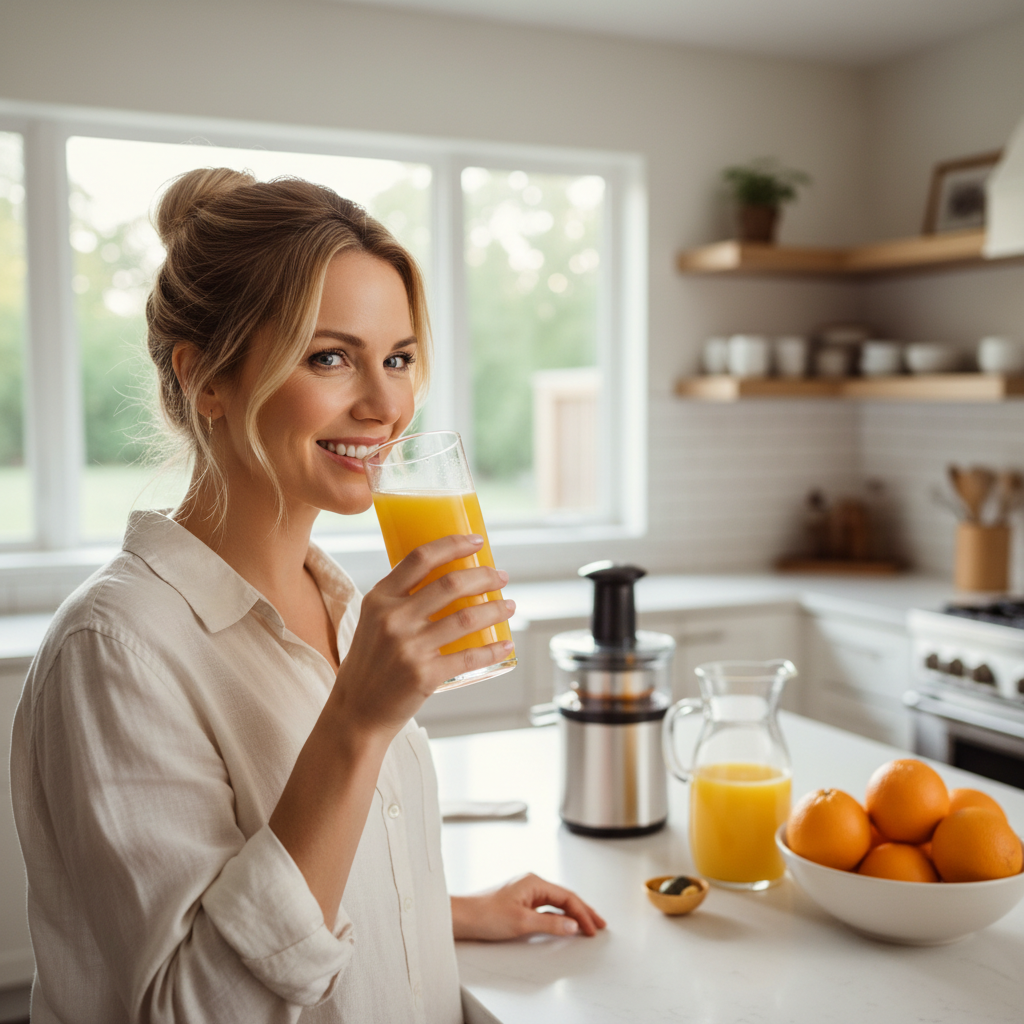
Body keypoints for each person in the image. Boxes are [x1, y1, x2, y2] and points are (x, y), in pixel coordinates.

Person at [10, 168, 604, 1024]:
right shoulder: (116, 650)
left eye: (398, 359)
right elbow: (194, 1006)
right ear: (205, 378)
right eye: (331, 357)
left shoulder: (346, 607)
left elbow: (312, 878)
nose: (385, 404)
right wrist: (356, 723)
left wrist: (448, 916)